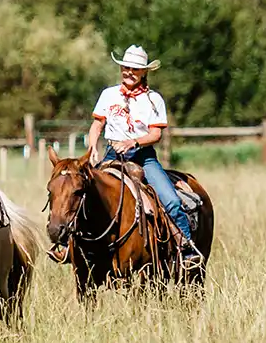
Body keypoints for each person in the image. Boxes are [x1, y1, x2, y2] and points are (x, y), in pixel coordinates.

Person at [85, 45, 202, 269]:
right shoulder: (109, 95)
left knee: (171, 200)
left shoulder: (153, 99)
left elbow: (156, 133)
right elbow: (97, 125)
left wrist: (133, 142)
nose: (129, 72)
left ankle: (186, 248)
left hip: (143, 156)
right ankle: (73, 246)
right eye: (125, 67)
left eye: (135, 69)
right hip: (112, 154)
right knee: (82, 192)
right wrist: (92, 148)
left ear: (144, 73)